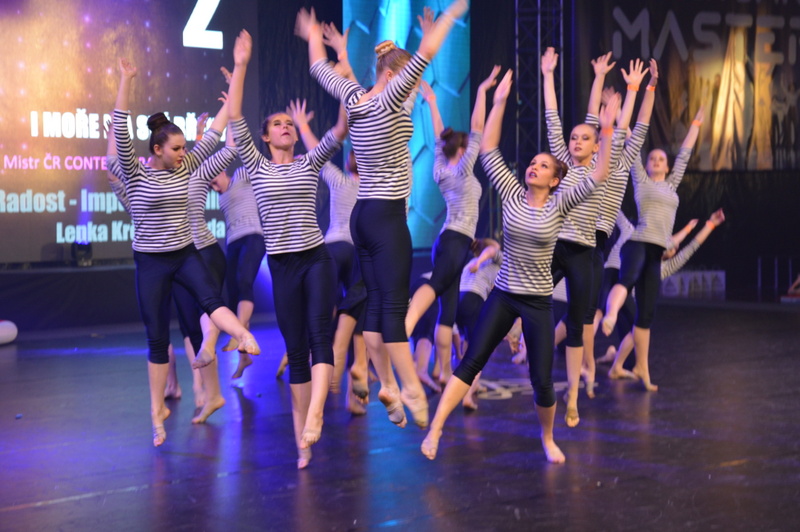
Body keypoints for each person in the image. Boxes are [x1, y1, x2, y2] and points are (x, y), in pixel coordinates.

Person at [420, 69, 621, 463]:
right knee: (471, 360)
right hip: (504, 296)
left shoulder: (562, 204)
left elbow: (598, 173)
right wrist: (498, 102)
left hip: (537, 303)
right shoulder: (512, 194)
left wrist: (609, 129)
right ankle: (436, 427)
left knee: (542, 381)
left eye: (543, 166)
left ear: (556, 179)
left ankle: (547, 437)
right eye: (532, 163)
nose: (534, 167)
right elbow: (489, 147)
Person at [300, 0, 469, 429]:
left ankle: (387, 384)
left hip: (362, 218)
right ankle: (411, 388)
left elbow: (319, 68)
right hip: (388, 219)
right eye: (409, 81)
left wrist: (315, 38)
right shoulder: (393, 97)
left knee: (374, 309)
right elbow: (427, 53)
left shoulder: (355, 97)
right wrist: (451, 15)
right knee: (393, 308)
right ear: (394, 77)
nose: (413, 89)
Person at [111, 58, 259, 447]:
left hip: (185, 253)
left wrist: (238, 76)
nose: (183, 152)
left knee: (212, 300)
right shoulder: (135, 174)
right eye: (175, 148)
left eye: (183, 147)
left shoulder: (187, 165)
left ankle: (242, 335)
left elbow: (216, 134)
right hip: (151, 263)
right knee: (157, 336)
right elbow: (120, 130)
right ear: (156, 149)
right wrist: (126, 79)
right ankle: (156, 412)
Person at [227, 30, 347, 468]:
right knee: (295, 348)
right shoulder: (256, 167)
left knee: (319, 336)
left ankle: (317, 412)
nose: (285, 127)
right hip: (281, 266)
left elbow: (340, 128)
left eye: (289, 124)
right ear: (264, 137)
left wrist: (343, 69)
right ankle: (302, 440)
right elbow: (235, 115)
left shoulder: (310, 163)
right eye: (277, 123)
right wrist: (241, 64)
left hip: (315, 259)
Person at [541, 47, 637, 426]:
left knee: (581, 319)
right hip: (560, 239)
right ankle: (522, 338)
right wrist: (549, 75)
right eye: (574, 138)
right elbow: (557, 121)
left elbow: (608, 129)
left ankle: (579, 385)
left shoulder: (608, 165)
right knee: (534, 294)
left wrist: (631, 94)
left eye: (587, 138)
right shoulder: (567, 165)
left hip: (591, 244)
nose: (578, 140)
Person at [403, 66, 498, 387]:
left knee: (449, 309)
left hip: (450, 241)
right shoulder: (461, 169)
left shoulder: (441, 168)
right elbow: (478, 126)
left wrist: (432, 102)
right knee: (439, 289)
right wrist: (482, 91)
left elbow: (439, 136)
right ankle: (406, 325)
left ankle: (443, 370)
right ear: (463, 149)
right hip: (454, 241)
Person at [602, 103, 706, 391]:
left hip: (657, 252)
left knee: (645, 316)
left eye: (662, 159)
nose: (657, 161)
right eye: (653, 158)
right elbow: (632, 142)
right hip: (637, 243)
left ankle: (642, 368)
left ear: (668, 167)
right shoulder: (640, 178)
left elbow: (684, 154)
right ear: (647, 165)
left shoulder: (672, 185)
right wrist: (621, 114)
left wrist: (696, 125)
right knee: (627, 279)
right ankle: (611, 315)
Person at [605, 210, 725, 380]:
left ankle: (614, 357)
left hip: (632, 310)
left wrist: (710, 225)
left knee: (633, 355)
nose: (673, 248)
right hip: (621, 301)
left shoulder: (665, 268)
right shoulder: (641, 251)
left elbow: (692, 247)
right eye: (670, 244)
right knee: (637, 325)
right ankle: (615, 364)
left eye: (674, 249)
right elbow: (621, 218)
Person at [212, 68, 268, 381]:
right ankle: (244, 355)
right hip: (233, 243)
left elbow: (236, 143)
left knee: (245, 281)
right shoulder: (221, 197)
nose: (213, 180)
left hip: (254, 237)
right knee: (233, 292)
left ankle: (240, 332)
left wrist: (232, 95)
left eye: (215, 175)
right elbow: (208, 157)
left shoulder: (244, 176)